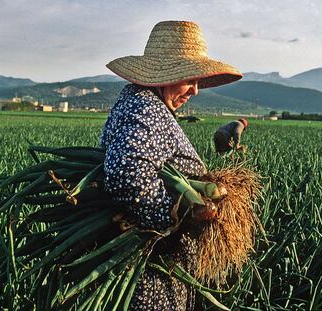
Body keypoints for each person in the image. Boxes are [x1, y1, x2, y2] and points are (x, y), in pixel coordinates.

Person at [99, 20, 242, 310]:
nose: (195, 90)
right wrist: (177, 219)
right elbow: (126, 174)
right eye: (190, 78)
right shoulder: (144, 107)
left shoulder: (145, 102)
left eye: (198, 81)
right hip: (152, 275)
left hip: (157, 269)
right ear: (163, 75)